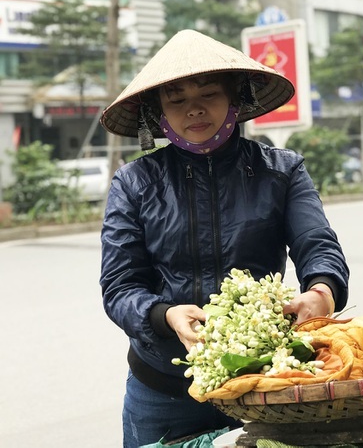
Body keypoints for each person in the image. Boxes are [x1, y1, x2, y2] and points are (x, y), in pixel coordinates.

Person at [99, 29, 350, 447]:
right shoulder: (133, 182)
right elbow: (120, 286)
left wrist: (321, 293)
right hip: (163, 386)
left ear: (235, 97)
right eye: (176, 99)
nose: (194, 110)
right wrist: (166, 316)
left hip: (261, 380)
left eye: (208, 94)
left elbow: (318, 246)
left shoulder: (282, 172)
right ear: (158, 111)